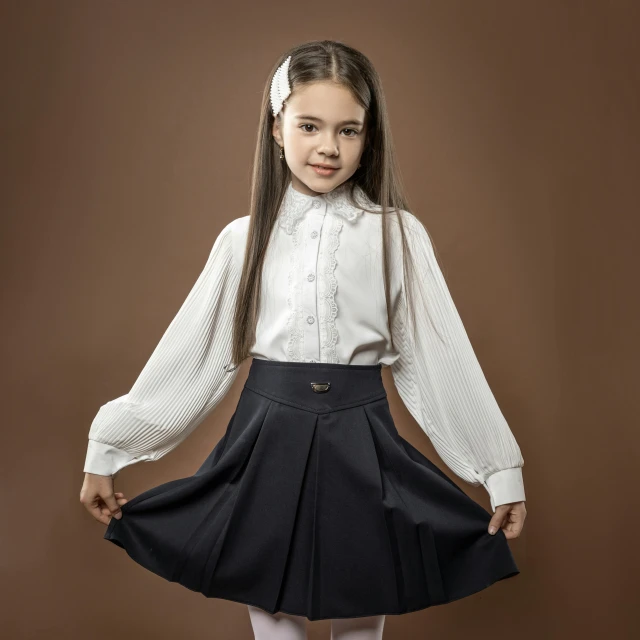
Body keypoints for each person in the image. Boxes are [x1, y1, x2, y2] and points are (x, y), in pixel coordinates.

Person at [79, 40, 527, 639]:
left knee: (362, 605)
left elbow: (441, 360)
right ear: (275, 127)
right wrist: (109, 450)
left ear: (369, 138)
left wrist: (499, 470)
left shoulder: (398, 236)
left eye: (349, 131)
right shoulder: (242, 241)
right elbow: (195, 356)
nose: (328, 147)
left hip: (361, 435)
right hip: (266, 435)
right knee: (272, 607)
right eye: (309, 125)